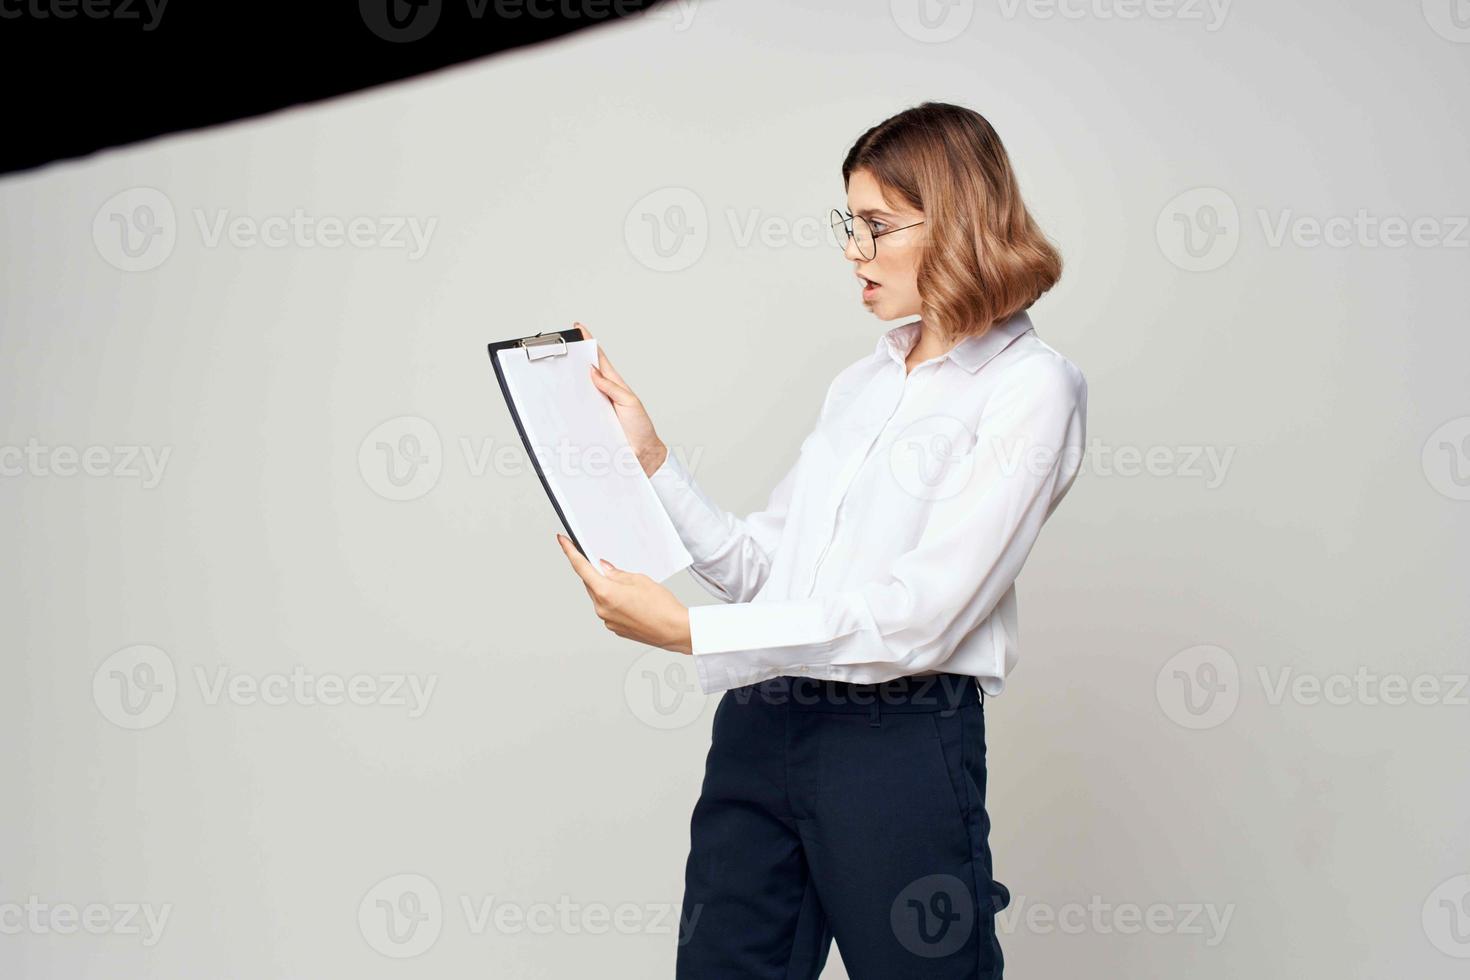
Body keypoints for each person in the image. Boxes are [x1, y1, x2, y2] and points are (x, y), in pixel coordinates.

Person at [556, 101, 1088, 979]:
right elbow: (765, 572)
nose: (853, 249)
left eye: (876, 226)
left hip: (897, 742)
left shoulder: (1031, 389)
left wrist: (687, 633)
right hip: (763, 724)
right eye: (851, 223)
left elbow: (920, 621)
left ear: (954, 222)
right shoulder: (862, 381)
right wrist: (650, 458)